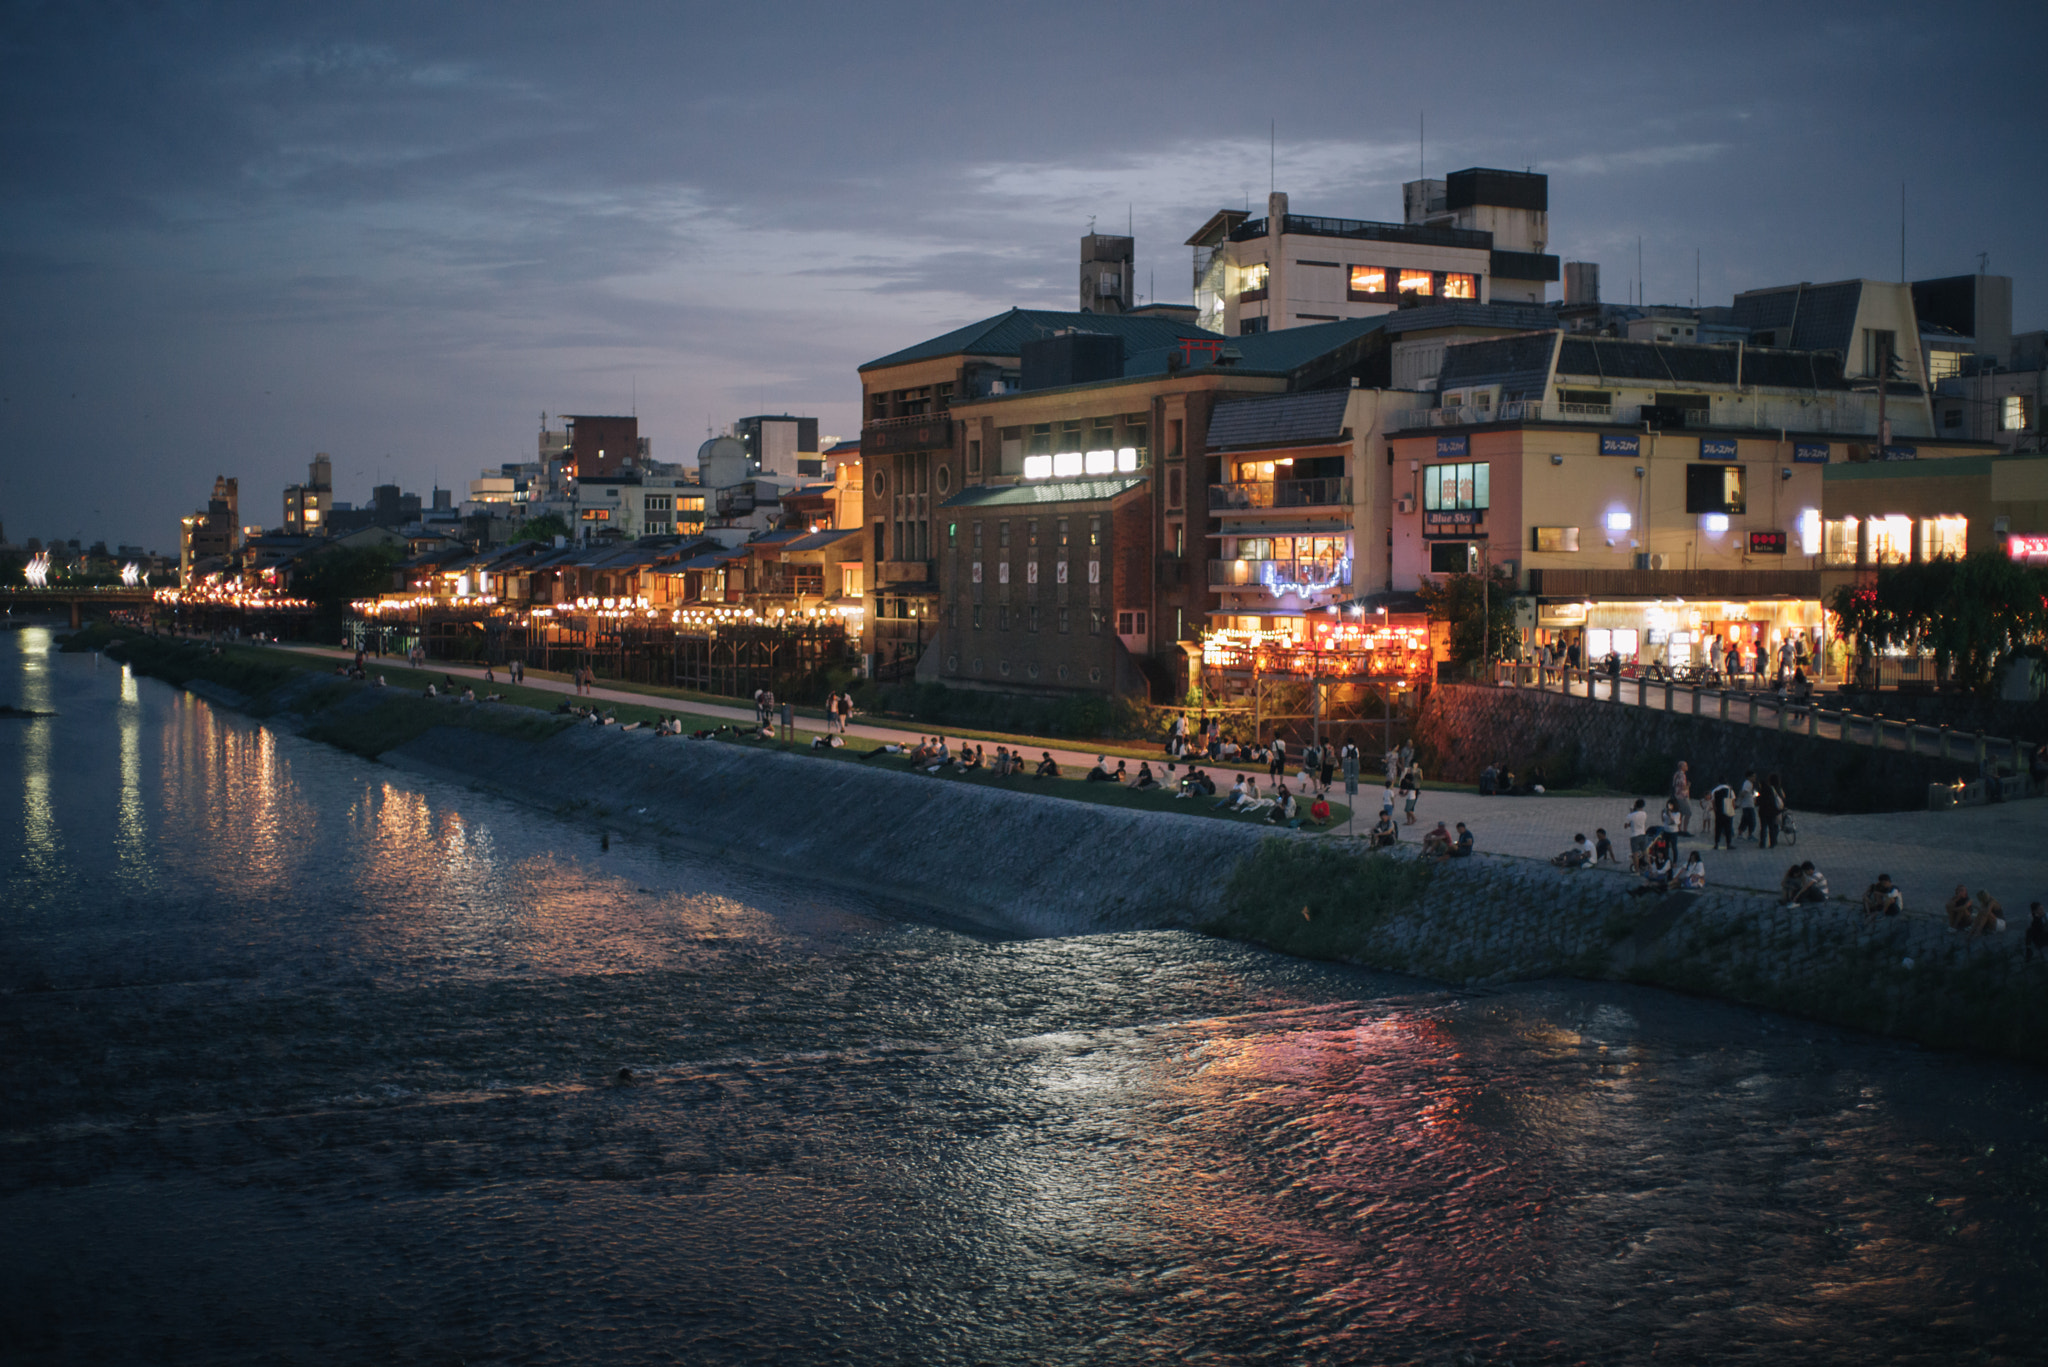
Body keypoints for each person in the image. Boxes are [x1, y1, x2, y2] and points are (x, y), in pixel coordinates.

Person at [1756, 773, 1784, 849]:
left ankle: (1762, 843)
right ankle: (1773, 843)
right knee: (1771, 827)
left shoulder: (1763, 790)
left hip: (1763, 811)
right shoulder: (1776, 789)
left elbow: (1758, 801)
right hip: (1772, 811)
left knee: (1763, 827)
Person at [1707, 780, 1736, 849]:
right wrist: (1733, 809)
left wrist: (1715, 810)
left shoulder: (1715, 790)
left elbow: (1713, 801)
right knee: (1728, 828)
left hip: (1719, 812)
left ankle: (1716, 843)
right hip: (1727, 811)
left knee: (1718, 828)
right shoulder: (1730, 790)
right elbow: (1733, 801)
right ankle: (1728, 844)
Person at [1625, 799, 1651, 871]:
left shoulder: (1631, 815)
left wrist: (1631, 812)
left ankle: (1637, 870)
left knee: (1635, 854)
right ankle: (1650, 867)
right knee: (1645, 852)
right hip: (1643, 834)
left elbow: (1626, 825)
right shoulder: (1644, 814)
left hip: (1634, 835)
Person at [1669, 760, 1693, 834]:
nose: (1687, 767)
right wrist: (1688, 785)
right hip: (1682, 797)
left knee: (1681, 813)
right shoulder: (1682, 775)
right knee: (1688, 812)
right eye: (1685, 766)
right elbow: (1683, 786)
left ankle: (1679, 828)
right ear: (1682, 767)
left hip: (1676, 795)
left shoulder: (1676, 774)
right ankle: (1684, 830)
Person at [1736, 769, 1758, 843]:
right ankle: (1749, 835)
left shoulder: (1749, 784)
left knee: (1745, 820)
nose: (1755, 778)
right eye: (1753, 776)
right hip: (1747, 805)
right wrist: (1739, 802)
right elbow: (1744, 793)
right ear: (1749, 777)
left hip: (1748, 805)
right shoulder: (1748, 784)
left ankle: (1741, 834)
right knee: (1751, 820)